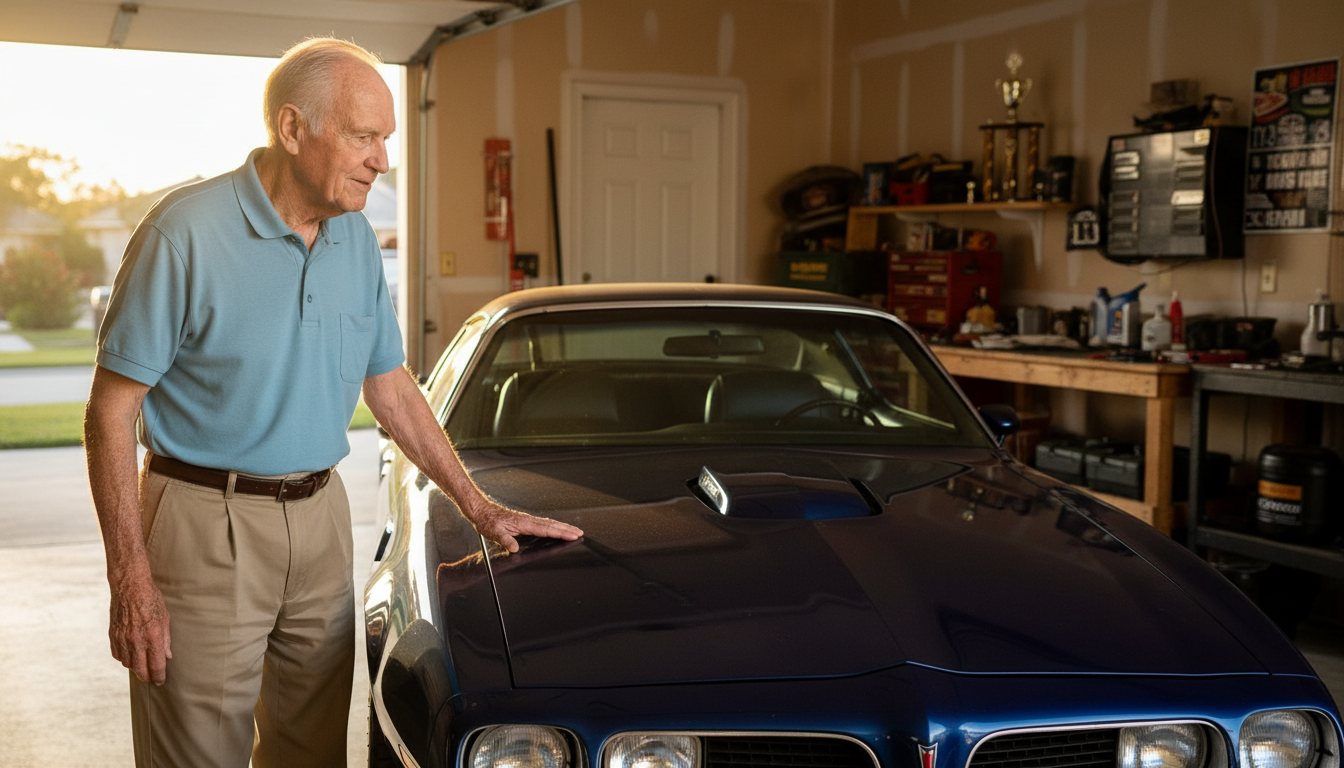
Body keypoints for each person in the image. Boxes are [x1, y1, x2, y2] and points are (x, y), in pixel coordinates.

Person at [83, 37, 582, 768]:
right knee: (196, 755)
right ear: (292, 129)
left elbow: (389, 385)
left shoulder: (353, 238)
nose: (382, 159)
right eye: (363, 136)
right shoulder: (183, 232)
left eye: (385, 138)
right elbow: (109, 414)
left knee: (312, 751)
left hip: (320, 521)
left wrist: (479, 506)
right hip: (202, 521)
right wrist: (129, 579)